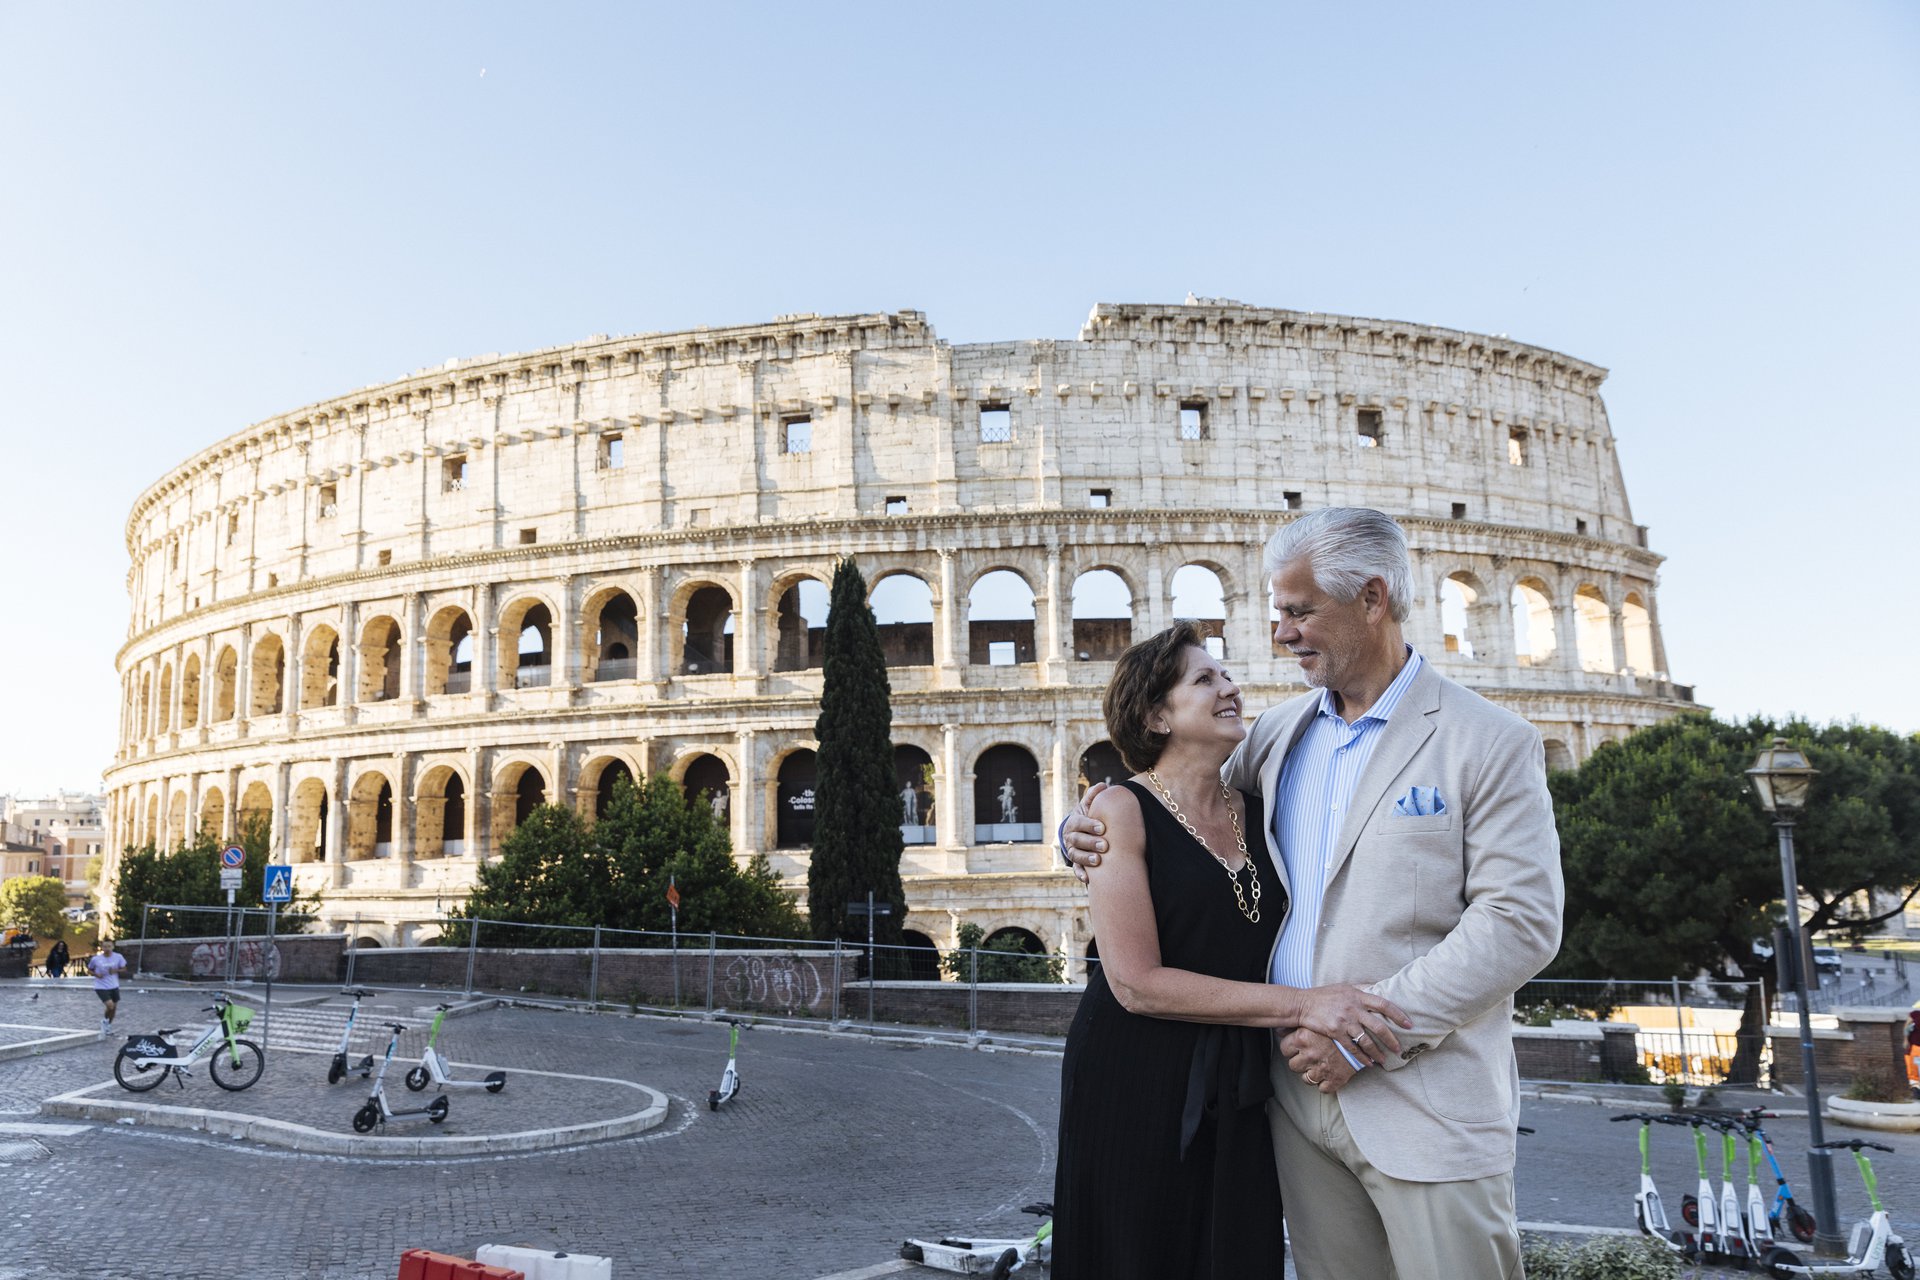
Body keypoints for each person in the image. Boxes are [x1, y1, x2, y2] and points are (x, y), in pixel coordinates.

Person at [1064, 507, 1564, 1280]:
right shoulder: (1277, 736)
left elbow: (1518, 924)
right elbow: (1167, 808)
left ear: (1371, 598)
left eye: (1299, 612)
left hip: (1420, 1099)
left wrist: (1363, 1034)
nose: (1281, 634)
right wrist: (1084, 822)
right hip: (1291, 1100)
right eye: (1278, 613)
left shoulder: (1488, 740)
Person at [1052, 619, 1412, 1280]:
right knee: (1140, 1256)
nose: (1230, 686)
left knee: (1235, 1251)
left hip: (1241, 1074)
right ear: (1157, 714)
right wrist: (1308, 1006)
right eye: (1205, 679)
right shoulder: (1119, 812)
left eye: (1226, 673)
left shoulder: (1261, 803)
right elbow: (1135, 983)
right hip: (1136, 1075)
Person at [87, 938, 128, 1038]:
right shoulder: (96, 959)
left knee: (114, 1008)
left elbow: (124, 969)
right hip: (101, 986)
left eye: (109, 946)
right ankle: (104, 1022)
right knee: (110, 1006)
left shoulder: (118, 957)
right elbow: (89, 970)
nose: (107, 948)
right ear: (102, 947)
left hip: (114, 985)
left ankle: (108, 1025)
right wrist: (97, 974)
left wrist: (116, 970)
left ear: (113, 947)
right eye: (105, 946)